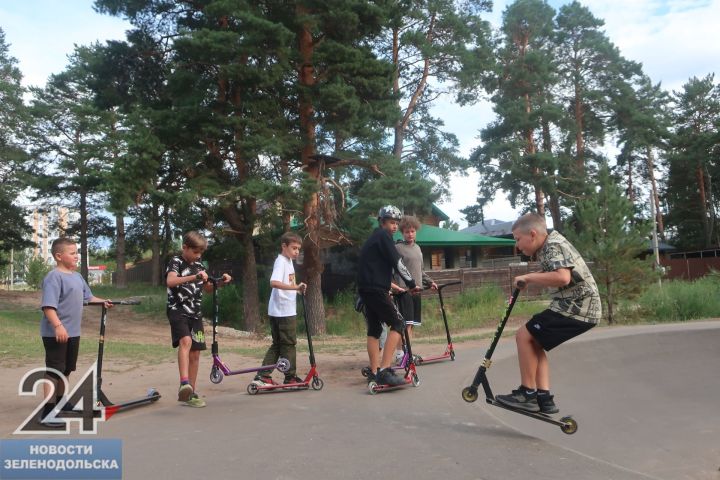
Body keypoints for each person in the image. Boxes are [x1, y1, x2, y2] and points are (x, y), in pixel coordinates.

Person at [496, 213, 601, 414]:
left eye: (518, 239)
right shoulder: (548, 245)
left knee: (523, 335)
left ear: (533, 234)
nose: (517, 246)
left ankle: (527, 394)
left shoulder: (552, 245)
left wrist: (528, 276)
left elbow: (562, 277)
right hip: (573, 306)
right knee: (535, 342)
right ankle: (544, 398)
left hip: (577, 308)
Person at [39, 237, 111, 427]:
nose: (76, 256)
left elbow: (90, 297)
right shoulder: (54, 277)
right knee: (54, 371)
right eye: (72, 253)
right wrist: (58, 326)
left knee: (66, 369)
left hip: (72, 333)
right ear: (59, 256)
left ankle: (62, 402)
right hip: (56, 333)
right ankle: (47, 411)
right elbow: (48, 307)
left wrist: (103, 301)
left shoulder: (77, 277)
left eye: (76, 252)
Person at [166, 231, 231, 408]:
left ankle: (190, 394)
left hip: (196, 313)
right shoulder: (176, 262)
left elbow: (208, 288)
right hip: (177, 310)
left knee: (196, 352)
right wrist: (193, 277)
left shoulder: (199, 265)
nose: (198, 256)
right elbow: (170, 281)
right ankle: (184, 383)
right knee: (185, 341)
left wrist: (221, 282)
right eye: (195, 252)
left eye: (200, 252)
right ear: (184, 247)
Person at [357, 206, 420, 386]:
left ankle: (375, 370)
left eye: (396, 223)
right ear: (382, 221)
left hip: (365, 289)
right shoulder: (384, 236)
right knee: (399, 323)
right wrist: (411, 284)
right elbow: (397, 262)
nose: (394, 226)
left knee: (375, 330)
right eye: (392, 222)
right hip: (376, 289)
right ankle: (385, 370)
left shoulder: (373, 237)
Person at [253, 232, 307, 386]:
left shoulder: (288, 261)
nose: (297, 251)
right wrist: (295, 286)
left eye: (298, 249)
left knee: (277, 344)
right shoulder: (281, 261)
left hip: (280, 309)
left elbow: (287, 285)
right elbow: (274, 282)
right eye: (294, 248)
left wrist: (297, 289)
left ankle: (263, 376)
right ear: (284, 246)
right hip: (283, 311)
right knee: (289, 344)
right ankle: (290, 376)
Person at [391, 216, 437, 361]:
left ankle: (407, 353)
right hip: (404, 291)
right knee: (406, 325)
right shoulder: (397, 248)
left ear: (415, 231)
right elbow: (393, 269)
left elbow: (420, 271)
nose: (410, 234)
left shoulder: (418, 248)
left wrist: (430, 282)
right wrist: (395, 287)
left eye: (412, 231)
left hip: (418, 291)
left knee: (413, 324)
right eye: (406, 232)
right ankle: (400, 354)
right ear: (402, 233)